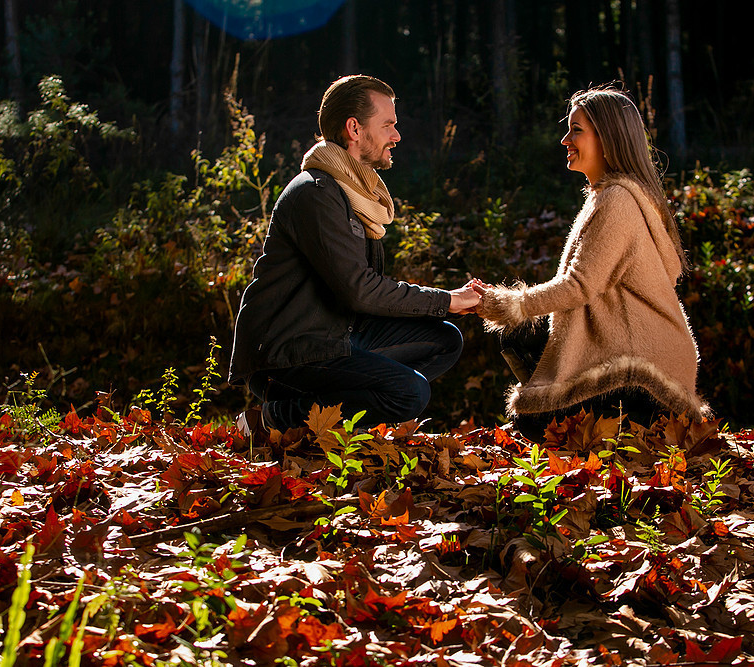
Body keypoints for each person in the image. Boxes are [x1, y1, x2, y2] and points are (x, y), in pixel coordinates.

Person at [228, 75, 481, 435]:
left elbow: (363, 291)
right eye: (388, 125)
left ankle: (339, 423)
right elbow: (359, 290)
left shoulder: (354, 192)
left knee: (444, 340)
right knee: (409, 392)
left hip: (334, 336)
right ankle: (274, 419)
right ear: (354, 129)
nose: (397, 136)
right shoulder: (317, 193)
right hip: (288, 354)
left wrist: (448, 303)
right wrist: (445, 300)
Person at [475, 85, 710, 441]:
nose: (565, 139)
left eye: (576, 130)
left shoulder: (618, 201)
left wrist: (513, 304)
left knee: (535, 424)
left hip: (642, 369)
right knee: (527, 365)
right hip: (640, 356)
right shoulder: (614, 195)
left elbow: (580, 285)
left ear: (609, 138)